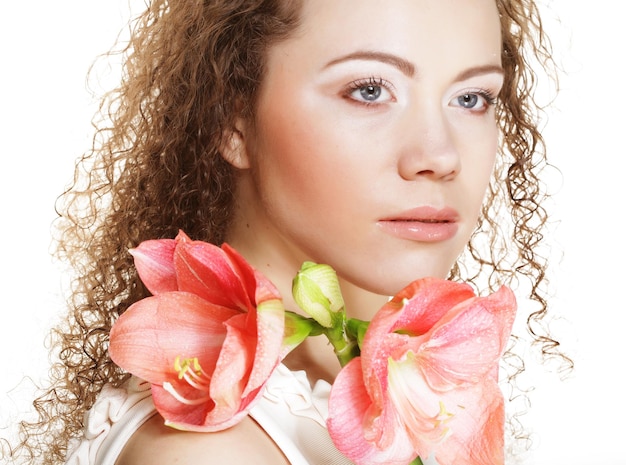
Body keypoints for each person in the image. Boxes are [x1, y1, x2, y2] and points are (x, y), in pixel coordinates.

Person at [4, 0, 570, 464]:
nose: (440, 156)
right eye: (370, 90)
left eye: (472, 98)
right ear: (233, 118)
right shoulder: (209, 454)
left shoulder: (410, 397)